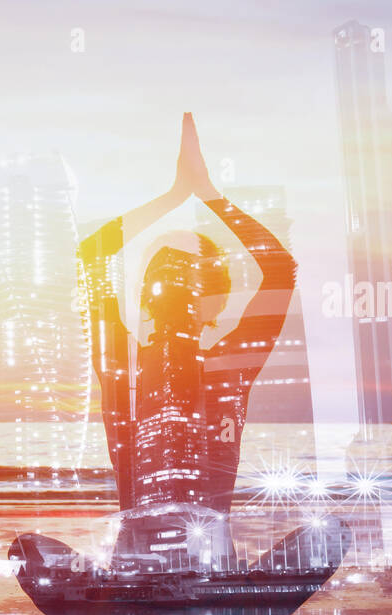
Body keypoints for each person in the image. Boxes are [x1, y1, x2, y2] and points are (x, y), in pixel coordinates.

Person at [78, 113, 297, 516]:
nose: (176, 286)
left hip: (188, 556)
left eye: (188, 279)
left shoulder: (125, 362)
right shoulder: (128, 362)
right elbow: (281, 268)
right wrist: (189, 193)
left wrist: (194, 193)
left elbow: (92, 253)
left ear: (215, 301)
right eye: (166, 275)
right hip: (170, 557)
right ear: (145, 296)